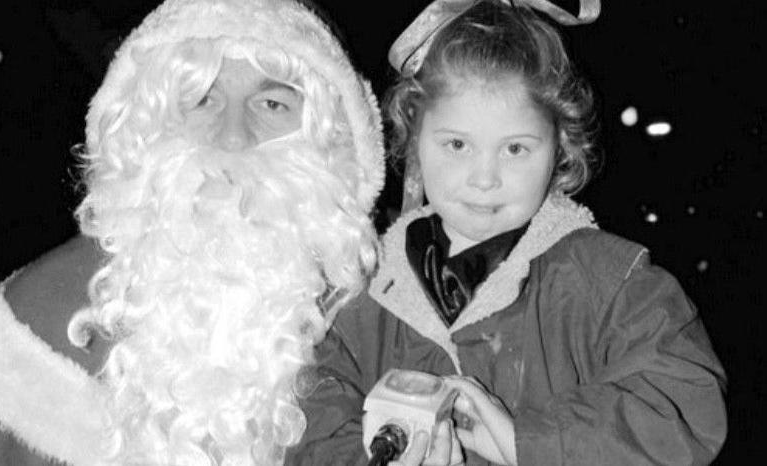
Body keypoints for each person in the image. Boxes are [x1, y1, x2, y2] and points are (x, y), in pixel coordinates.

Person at [0, 0, 386, 464]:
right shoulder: (41, 329)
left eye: (272, 104)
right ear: (147, 125)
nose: (233, 139)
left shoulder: (383, 324)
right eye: (201, 99)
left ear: (328, 141)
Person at [286, 1, 727, 465]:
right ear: (413, 136)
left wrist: (528, 440)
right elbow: (304, 417)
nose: (484, 178)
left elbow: (683, 401)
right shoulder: (361, 288)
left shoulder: (611, 283)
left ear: (561, 147)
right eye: (457, 144)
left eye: (515, 149)